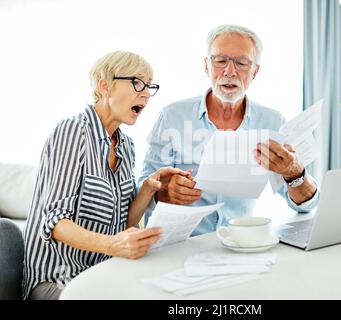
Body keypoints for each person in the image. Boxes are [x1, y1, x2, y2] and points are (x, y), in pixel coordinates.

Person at [22, 51, 189, 300]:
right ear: (105, 86)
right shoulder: (73, 131)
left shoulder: (126, 146)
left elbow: (124, 225)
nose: (145, 94)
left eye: (149, 87)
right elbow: (55, 223)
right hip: (58, 281)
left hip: (102, 276)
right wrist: (114, 245)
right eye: (137, 83)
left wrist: (148, 189)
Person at [139, 24, 320, 235]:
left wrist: (295, 173)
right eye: (220, 61)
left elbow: (304, 205)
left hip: (239, 244)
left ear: (255, 71)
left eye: (242, 63)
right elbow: (141, 190)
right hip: (178, 245)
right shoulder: (172, 117)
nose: (230, 72)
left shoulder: (273, 122)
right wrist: (162, 193)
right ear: (207, 66)